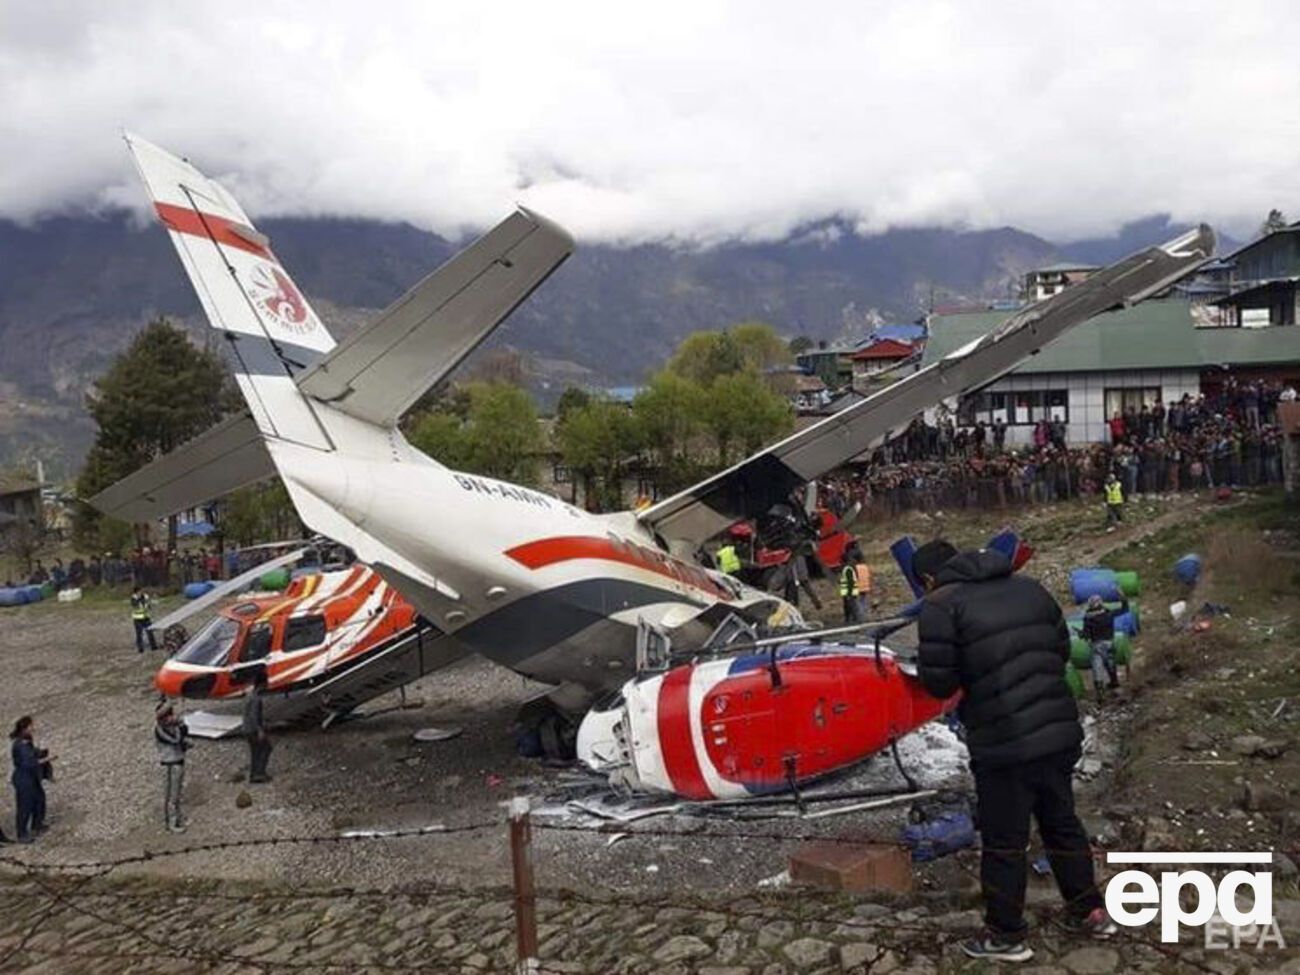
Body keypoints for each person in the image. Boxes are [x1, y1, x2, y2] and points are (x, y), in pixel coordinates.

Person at [912, 539, 1114, 962]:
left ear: (928, 580)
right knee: (1062, 823)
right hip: (1058, 730)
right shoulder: (1030, 588)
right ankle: (1090, 910)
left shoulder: (941, 606)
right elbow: (1060, 650)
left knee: (1005, 840)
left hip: (1004, 742)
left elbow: (940, 684)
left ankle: (1006, 935)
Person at [10, 716, 50, 843]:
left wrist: (41, 752)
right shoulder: (20, 744)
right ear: (25, 728)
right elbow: (28, 763)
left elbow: (32, 753)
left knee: (39, 800)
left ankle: (37, 824)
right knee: (25, 806)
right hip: (23, 778)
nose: (33, 728)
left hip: (32, 776)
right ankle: (22, 834)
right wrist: (46, 760)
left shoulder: (27, 740)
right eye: (31, 726)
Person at [154, 701, 190, 832]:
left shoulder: (172, 727)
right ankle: (171, 823)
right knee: (170, 795)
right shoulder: (160, 730)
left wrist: (182, 725)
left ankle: (177, 818)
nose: (171, 717)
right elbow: (175, 740)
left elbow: (185, 734)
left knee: (177, 793)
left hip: (178, 761)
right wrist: (180, 726)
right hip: (169, 764)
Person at [1080, 595, 1126, 695]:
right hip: (1109, 643)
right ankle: (1114, 684)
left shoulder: (1088, 618)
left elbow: (1086, 635)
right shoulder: (1108, 613)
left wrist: (1082, 634)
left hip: (1096, 645)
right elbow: (1125, 609)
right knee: (1110, 664)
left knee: (1097, 667)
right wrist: (1123, 597)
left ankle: (1100, 691)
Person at [243, 668, 273, 783]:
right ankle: (260, 773)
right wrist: (260, 730)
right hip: (253, 729)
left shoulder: (250, 695)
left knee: (255, 752)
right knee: (266, 748)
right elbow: (254, 715)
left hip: (246, 728)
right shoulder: (257, 699)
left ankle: (254, 774)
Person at [131, 586, 158, 653]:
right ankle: (140, 649)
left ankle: (154, 647)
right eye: (139, 591)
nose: (141, 592)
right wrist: (143, 602)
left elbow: (149, 604)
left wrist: (150, 604)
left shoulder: (145, 596)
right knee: (139, 634)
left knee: (150, 632)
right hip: (137, 619)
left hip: (146, 618)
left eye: (141, 591)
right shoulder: (133, 598)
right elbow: (136, 606)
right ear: (136, 592)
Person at [837, 556, 860, 623]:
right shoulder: (850, 567)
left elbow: (850, 582)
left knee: (851, 607)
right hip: (849, 592)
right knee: (849, 606)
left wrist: (848, 594)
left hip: (849, 592)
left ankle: (854, 621)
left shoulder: (847, 569)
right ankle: (850, 620)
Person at [852, 550, 873, 621]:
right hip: (866, 587)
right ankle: (867, 617)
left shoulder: (855, 568)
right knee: (865, 603)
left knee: (859, 605)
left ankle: (861, 619)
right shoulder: (865, 567)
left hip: (858, 589)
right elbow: (868, 577)